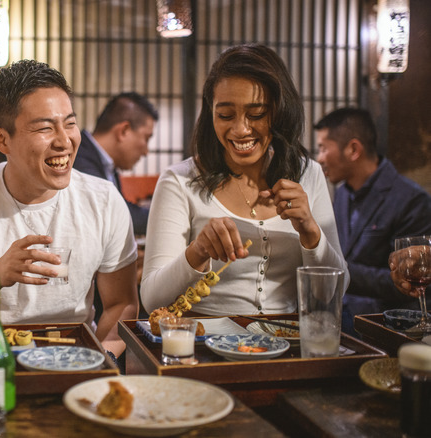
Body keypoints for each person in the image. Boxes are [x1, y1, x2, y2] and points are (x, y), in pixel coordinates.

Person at [0, 59, 138, 358]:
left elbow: (122, 304)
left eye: (70, 123)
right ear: (2, 139)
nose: (65, 141)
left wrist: (99, 359)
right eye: (44, 128)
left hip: (77, 355)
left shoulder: (103, 200)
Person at [141, 44, 349, 315]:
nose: (240, 130)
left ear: (279, 111)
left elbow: (336, 291)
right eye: (225, 115)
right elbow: (151, 299)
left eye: (257, 114)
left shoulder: (308, 174)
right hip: (203, 345)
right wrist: (199, 250)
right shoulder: (180, 182)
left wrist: (310, 231)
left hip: (287, 343)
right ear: (210, 112)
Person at [315, 108, 431, 334]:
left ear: (353, 149)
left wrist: (338, 270)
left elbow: (406, 282)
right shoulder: (342, 194)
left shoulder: (411, 200)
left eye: (323, 148)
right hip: (340, 317)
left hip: (383, 325)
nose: (319, 158)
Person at [73, 92, 158, 235]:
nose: (146, 151)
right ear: (124, 131)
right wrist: (174, 216)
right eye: (146, 138)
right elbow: (118, 215)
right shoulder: (80, 159)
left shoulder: (106, 164)